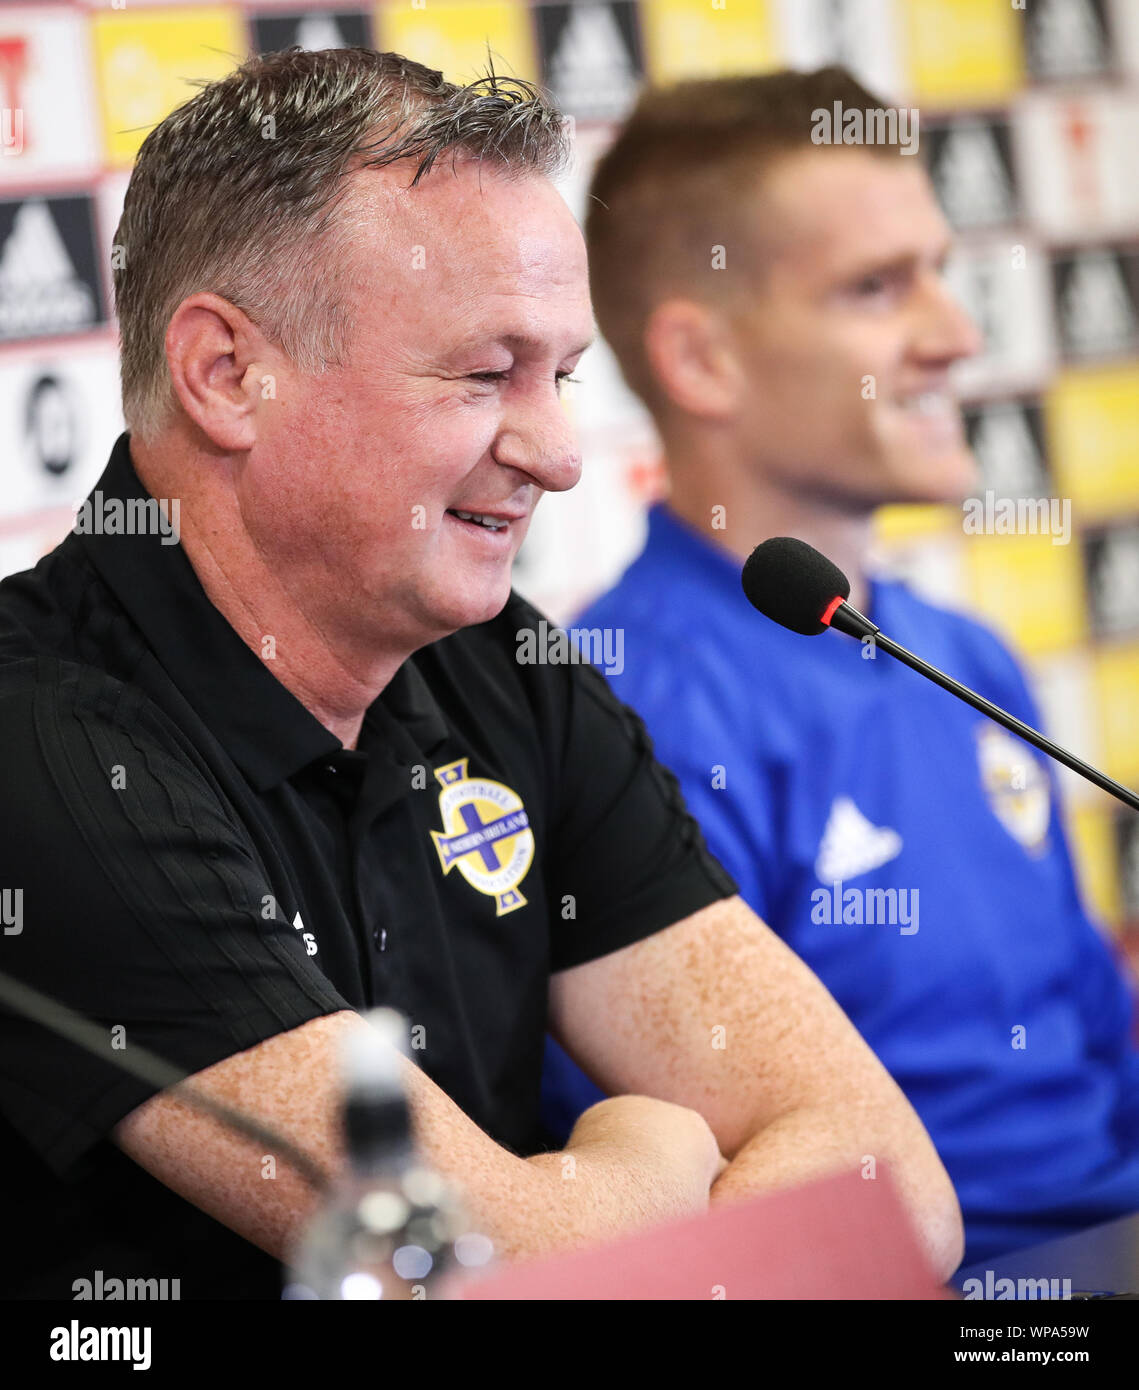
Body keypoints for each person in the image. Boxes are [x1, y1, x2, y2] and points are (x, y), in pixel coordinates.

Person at [0, 48, 962, 1300]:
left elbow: (896, 1196)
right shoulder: (42, 742)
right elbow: (466, 1275)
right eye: (479, 373)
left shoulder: (510, 670)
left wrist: (588, 1222)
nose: (558, 453)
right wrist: (648, 1146)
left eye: (557, 377)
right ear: (228, 373)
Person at [541, 65, 1139, 1267]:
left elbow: (1095, 1041)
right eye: (876, 288)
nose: (955, 336)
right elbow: (722, 1228)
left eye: (939, 272)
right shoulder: (617, 707)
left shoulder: (965, 655)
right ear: (700, 359)